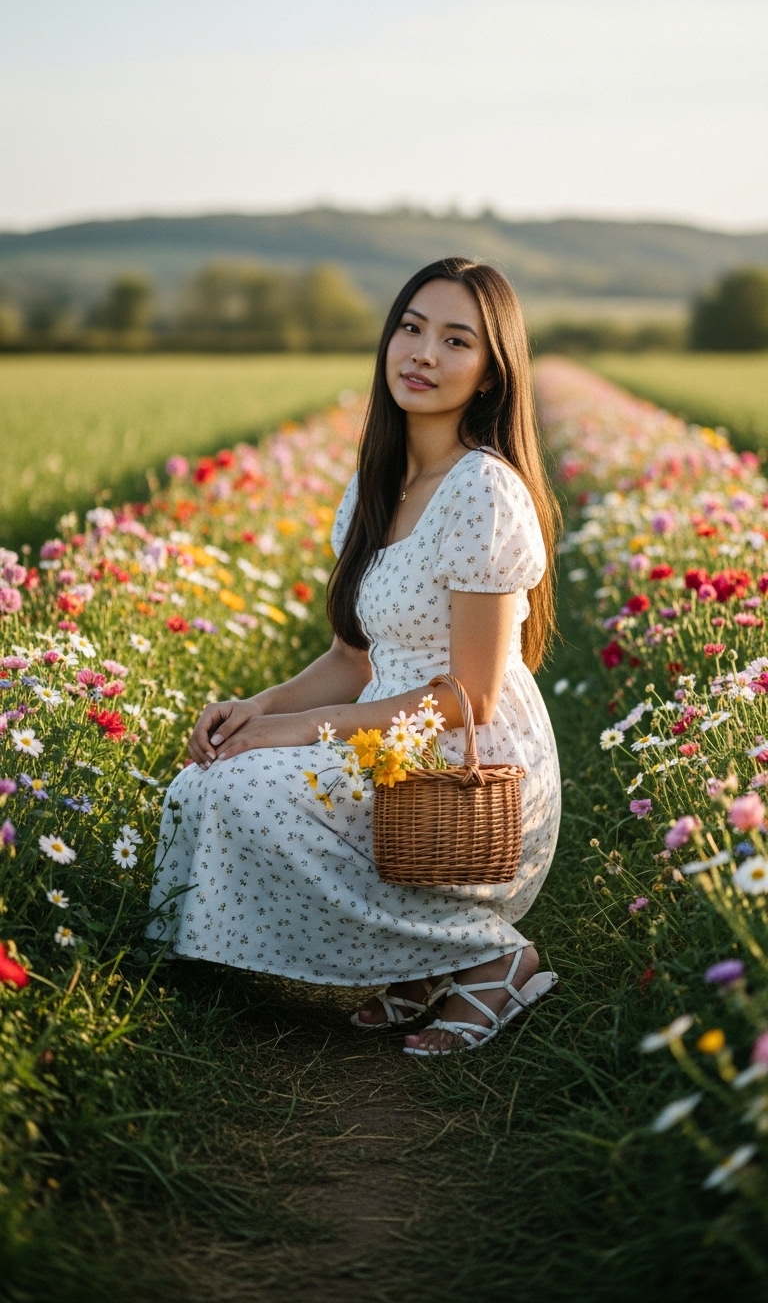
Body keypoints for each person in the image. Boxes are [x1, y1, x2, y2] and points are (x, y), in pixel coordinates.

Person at [148, 257, 562, 1055]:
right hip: (385, 731)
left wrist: (306, 732)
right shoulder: (380, 481)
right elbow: (352, 656)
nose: (423, 354)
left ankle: (492, 958)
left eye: (455, 340)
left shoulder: (482, 488)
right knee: (207, 777)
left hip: (460, 753)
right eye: (410, 328)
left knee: (247, 792)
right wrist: (262, 708)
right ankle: (418, 956)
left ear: (488, 374)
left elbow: (470, 700)